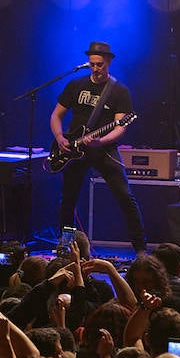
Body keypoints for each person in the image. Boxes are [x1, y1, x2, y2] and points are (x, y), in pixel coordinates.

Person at [50, 41, 146, 253]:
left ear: (109, 62)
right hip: (74, 150)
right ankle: (66, 247)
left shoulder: (118, 91)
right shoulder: (76, 85)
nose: (96, 69)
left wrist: (101, 141)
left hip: (103, 149)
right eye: (92, 64)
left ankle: (140, 249)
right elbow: (56, 115)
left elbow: (120, 126)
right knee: (68, 200)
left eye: (100, 64)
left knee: (125, 197)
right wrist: (59, 137)